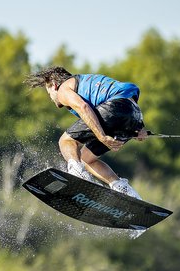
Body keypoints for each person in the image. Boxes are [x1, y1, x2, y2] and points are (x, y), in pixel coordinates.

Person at [24, 66, 147, 199]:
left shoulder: (63, 89)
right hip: (134, 113)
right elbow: (128, 101)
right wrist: (137, 127)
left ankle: (77, 174)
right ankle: (123, 189)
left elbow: (83, 107)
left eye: (49, 93)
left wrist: (101, 136)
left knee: (66, 141)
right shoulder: (85, 83)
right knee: (86, 159)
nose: (52, 98)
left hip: (115, 107)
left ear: (54, 85)